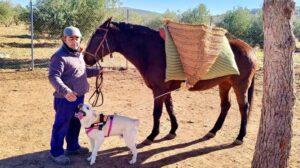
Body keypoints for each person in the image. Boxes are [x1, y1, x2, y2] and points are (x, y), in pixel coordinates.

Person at [48, 26, 101, 165]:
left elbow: (80, 73)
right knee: (61, 125)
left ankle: (72, 147)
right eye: (71, 38)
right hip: (65, 99)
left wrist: (97, 71)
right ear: (64, 39)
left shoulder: (78, 54)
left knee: (76, 123)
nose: (74, 41)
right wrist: (66, 91)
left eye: (76, 38)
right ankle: (56, 152)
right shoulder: (59, 56)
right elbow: (53, 76)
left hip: (79, 97)